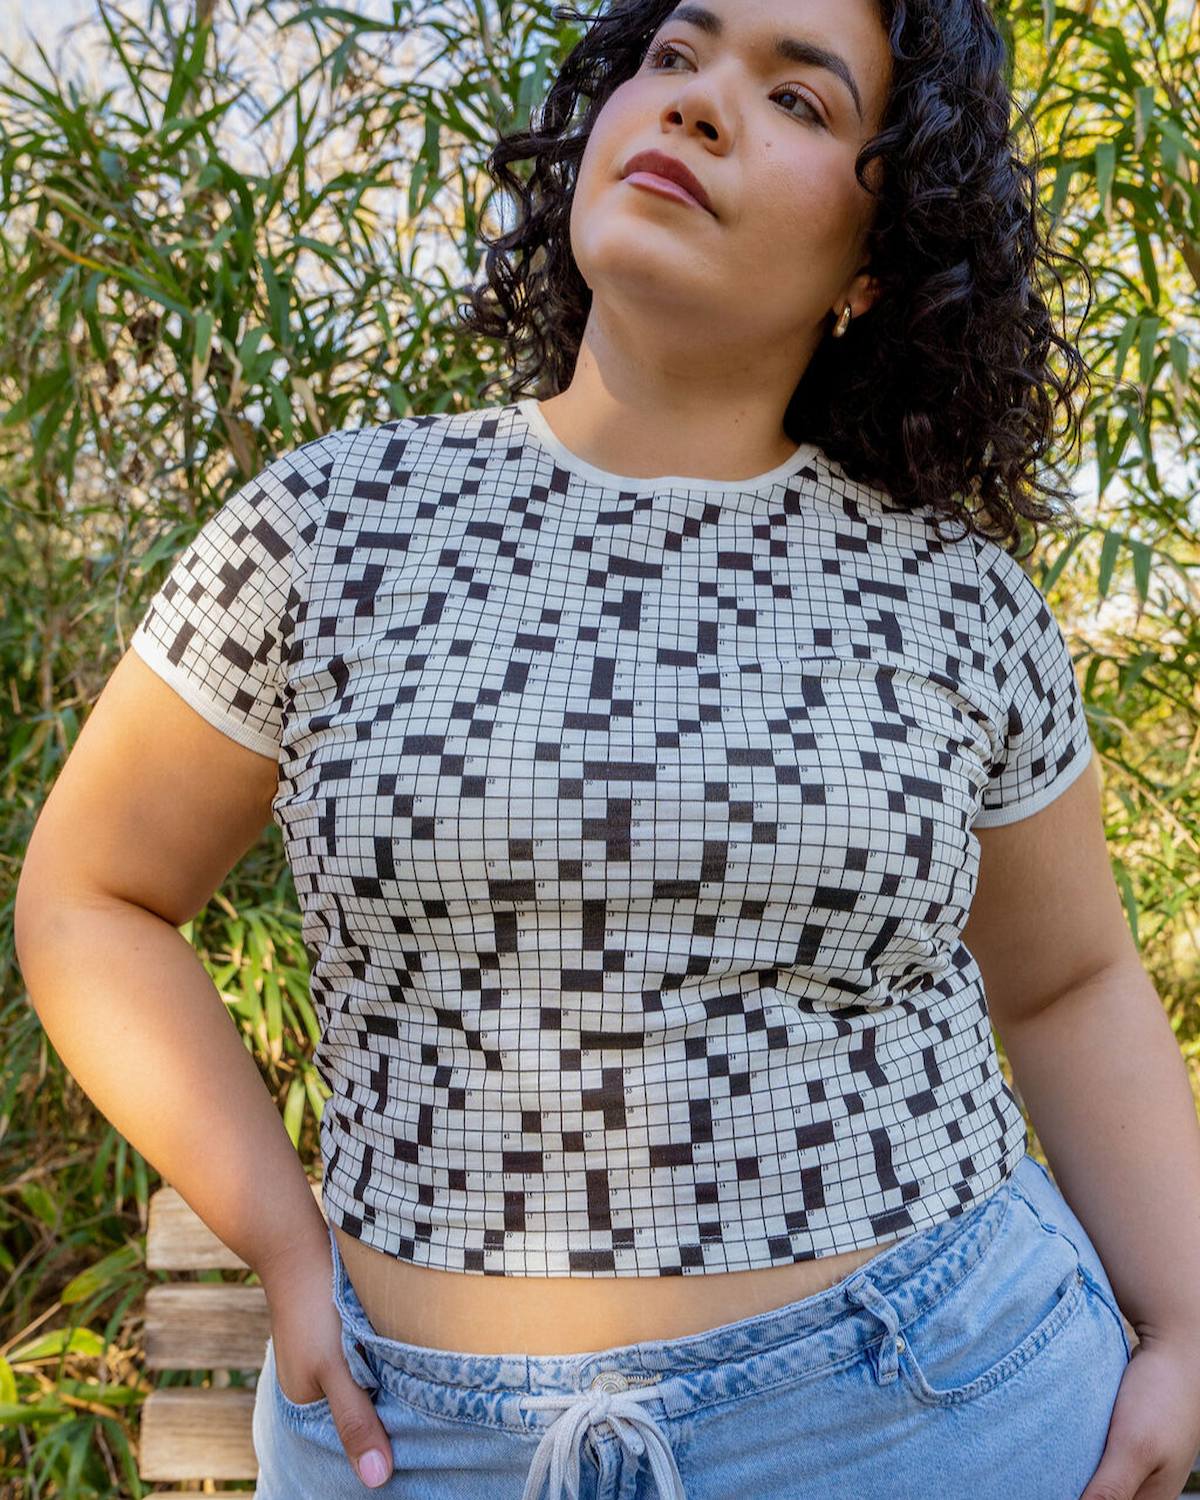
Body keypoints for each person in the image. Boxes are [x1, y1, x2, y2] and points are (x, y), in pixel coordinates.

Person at [17, 0, 1200, 1498]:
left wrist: (1188, 1326)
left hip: (929, 1419)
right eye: (676, 56)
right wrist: (280, 1242)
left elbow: (1071, 979)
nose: (701, 104)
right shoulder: (329, 528)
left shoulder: (956, 596)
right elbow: (92, 897)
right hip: (418, 1446)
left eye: (800, 101)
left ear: (875, 266)